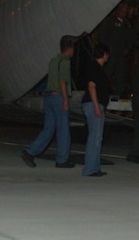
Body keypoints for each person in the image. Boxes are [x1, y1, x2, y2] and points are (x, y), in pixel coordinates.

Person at [21, 36, 75, 168]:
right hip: (58, 97)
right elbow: (63, 81)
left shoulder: (53, 61)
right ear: (70, 49)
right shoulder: (65, 62)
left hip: (49, 97)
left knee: (49, 129)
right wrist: (66, 100)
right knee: (63, 129)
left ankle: (30, 151)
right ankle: (62, 159)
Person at [81, 44, 111, 177]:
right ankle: (89, 169)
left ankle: (95, 167)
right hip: (94, 104)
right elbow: (91, 86)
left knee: (97, 137)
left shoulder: (97, 68)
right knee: (95, 137)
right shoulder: (94, 67)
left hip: (95, 104)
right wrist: (97, 106)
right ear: (104, 54)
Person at [95, 2, 135, 97]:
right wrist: (106, 47)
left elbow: (131, 37)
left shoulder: (127, 24)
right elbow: (101, 34)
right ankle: (101, 92)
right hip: (110, 53)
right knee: (106, 73)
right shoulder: (109, 21)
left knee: (120, 74)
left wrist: (128, 48)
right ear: (117, 11)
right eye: (122, 11)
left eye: (125, 12)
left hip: (121, 54)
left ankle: (119, 93)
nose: (123, 13)